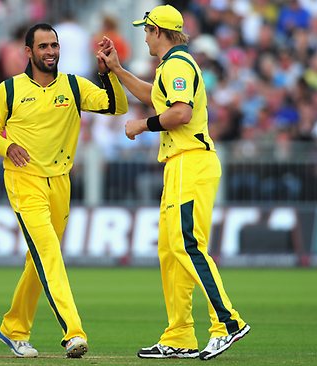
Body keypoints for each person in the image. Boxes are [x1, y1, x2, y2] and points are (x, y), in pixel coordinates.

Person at [97, 4, 250, 360]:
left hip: (190, 163)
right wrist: (118, 70)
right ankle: (180, 335)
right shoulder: (171, 66)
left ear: (157, 31)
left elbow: (180, 113)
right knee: (171, 251)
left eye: (147, 31)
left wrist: (142, 125)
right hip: (181, 164)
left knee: (187, 246)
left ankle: (227, 323)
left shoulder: (178, 64)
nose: (145, 36)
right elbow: (156, 96)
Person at [0, 23, 128, 358]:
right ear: (28, 52)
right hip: (24, 179)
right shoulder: (9, 90)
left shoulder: (74, 86)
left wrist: (109, 74)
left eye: (55, 46)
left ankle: (13, 327)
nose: (51, 52)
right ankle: (73, 332)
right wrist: (8, 147)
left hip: (61, 182)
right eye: (44, 46)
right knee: (49, 254)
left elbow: (116, 107)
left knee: (39, 261)